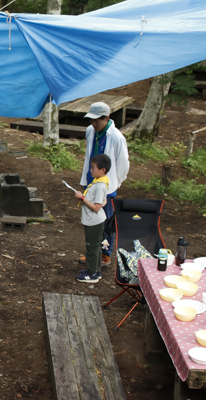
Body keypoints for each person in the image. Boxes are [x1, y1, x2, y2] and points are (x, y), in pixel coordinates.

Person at [80, 102, 129, 267]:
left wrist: (117, 182)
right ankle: (93, 252)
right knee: (92, 220)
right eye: (91, 120)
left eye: (96, 120)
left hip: (107, 187)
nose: (93, 124)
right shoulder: (90, 131)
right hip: (91, 183)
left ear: (106, 118)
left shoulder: (116, 137)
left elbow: (123, 164)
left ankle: (105, 254)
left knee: (106, 223)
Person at [74, 154, 111, 283]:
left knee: (92, 247)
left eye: (93, 168)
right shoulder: (100, 181)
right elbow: (103, 201)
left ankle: (93, 274)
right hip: (94, 220)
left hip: (94, 221)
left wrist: (82, 198)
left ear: (102, 170)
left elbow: (96, 207)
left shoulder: (100, 185)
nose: (91, 170)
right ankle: (95, 270)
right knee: (95, 247)